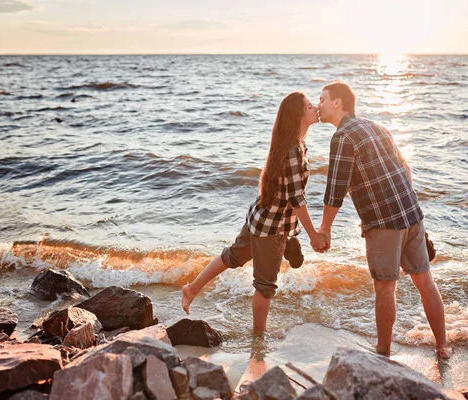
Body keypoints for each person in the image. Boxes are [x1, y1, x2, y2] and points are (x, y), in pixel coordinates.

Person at [314, 82, 451, 358]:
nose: (318, 106)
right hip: (412, 214)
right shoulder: (377, 126)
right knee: (425, 283)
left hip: (383, 222)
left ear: (338, 103)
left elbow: (335, 189)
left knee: (385, 288)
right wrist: (407, 204)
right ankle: (442, 347)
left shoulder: (342, 137)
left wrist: (324, 229)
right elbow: (405, 168)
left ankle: (383, 353)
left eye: (322, 99)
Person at [181, 92, 326, 335]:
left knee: (233, 256)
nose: (315, 109)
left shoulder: (289, 144)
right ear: (298, 115)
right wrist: (314, 234)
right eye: (310, 106)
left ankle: (192, 289)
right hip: (270, 228)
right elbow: (296, 198)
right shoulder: (294, 149)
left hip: (259, 217)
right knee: (265, 286)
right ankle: (258, 340)